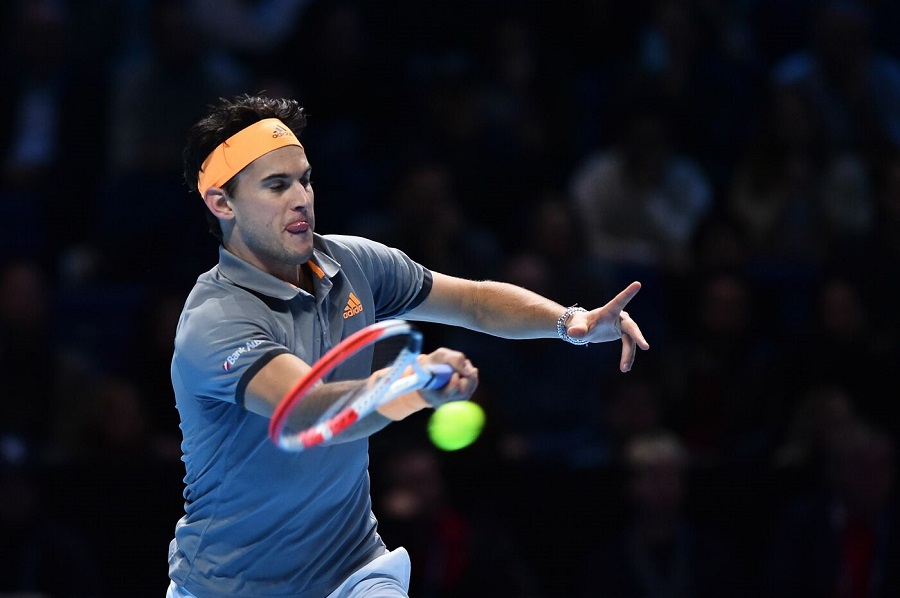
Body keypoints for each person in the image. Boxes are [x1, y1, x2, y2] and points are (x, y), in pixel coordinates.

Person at [166, 93, 650, 598]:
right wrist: (410, 386)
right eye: (276, 185)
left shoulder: (353, 263)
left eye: (305, 179)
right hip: (228, 587)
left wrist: (570, 321)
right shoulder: (216, 320)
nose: (301, 198)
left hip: (351, 570)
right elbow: (306, 412)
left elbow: (473, 301)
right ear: (222, 203)